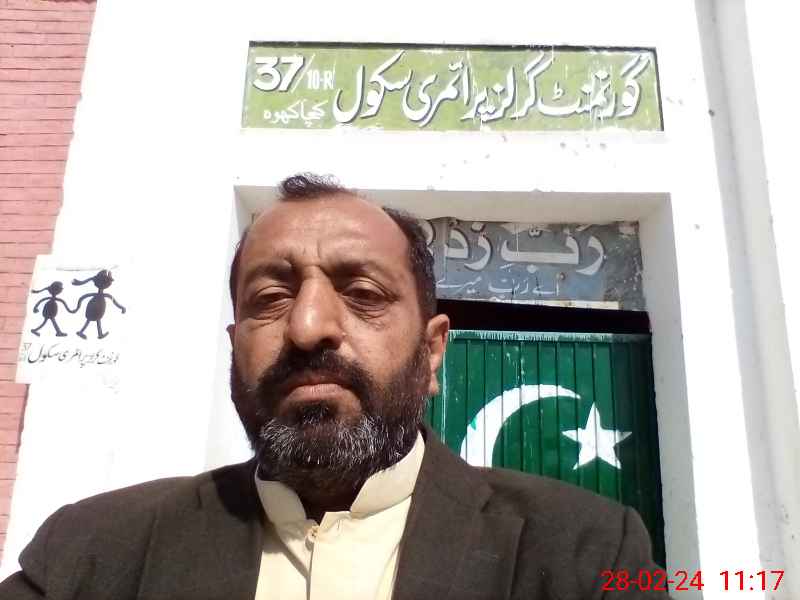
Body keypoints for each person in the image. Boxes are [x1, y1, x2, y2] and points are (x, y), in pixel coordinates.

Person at [0, 174, 670, 599]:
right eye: (270, 298)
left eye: (363, 293)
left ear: (433, 350)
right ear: (234, 345)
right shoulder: (91, 554)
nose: (308, 327)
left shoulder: (584, 552)